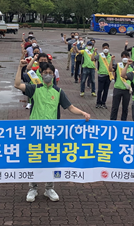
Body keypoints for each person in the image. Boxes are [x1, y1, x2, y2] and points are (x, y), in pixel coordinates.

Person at [14, 59, 90, 203]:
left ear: (54, 75)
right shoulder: (34, 89)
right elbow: (17, 84)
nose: (48, 75)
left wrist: (83, 113)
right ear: (41, 74)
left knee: (51, 160)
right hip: (35, 132)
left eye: (50, 73)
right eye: (45, 73)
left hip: (52, 133)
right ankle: (33, 188)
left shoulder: (58, 91)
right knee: (35, 159)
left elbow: (70, 107)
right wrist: (20, 67)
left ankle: (49, 188)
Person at [110, 51, 133, 121]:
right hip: (118, 88)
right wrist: (111, 60)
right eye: (123, 57)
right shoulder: (118, 65)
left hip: (127, 89)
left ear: (129, 57)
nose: (125, 58)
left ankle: (123, 121)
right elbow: (110, 69)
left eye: (126, 57)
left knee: (125, 108)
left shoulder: (132, 67)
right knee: (115, 107)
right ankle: (112, 121)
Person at [95, 43, 114, 109]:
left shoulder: (111, 56)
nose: (106, 49)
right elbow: (92, 59)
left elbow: (113, 67)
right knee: (100, 90)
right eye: (104, 48)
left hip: (108, 76)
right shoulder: (100, 55)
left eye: (107, 48)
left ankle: (103, 103)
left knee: (106, 90)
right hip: (101, 75)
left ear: (108, 48)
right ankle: (98, 102)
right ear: (102, 48)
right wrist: (94, 52)